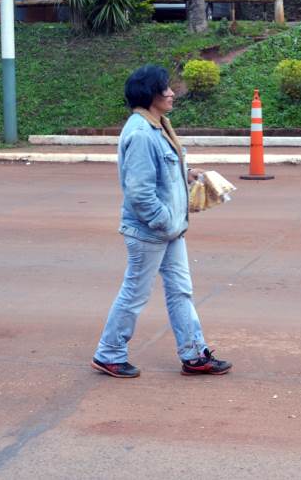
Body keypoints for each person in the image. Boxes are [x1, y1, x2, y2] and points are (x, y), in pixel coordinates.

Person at [91, 64, 232, 379]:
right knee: (135, 293)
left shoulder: (159, 125)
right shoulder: (141, 133)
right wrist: (165, 222)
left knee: (181, 290)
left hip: (170, 230)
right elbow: (139, 192)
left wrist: (190, 173)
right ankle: (109, 353)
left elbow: (163, 170)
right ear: (149, 94)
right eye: (165, 88)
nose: (171, 93)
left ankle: (194, 354)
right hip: (150, 232)